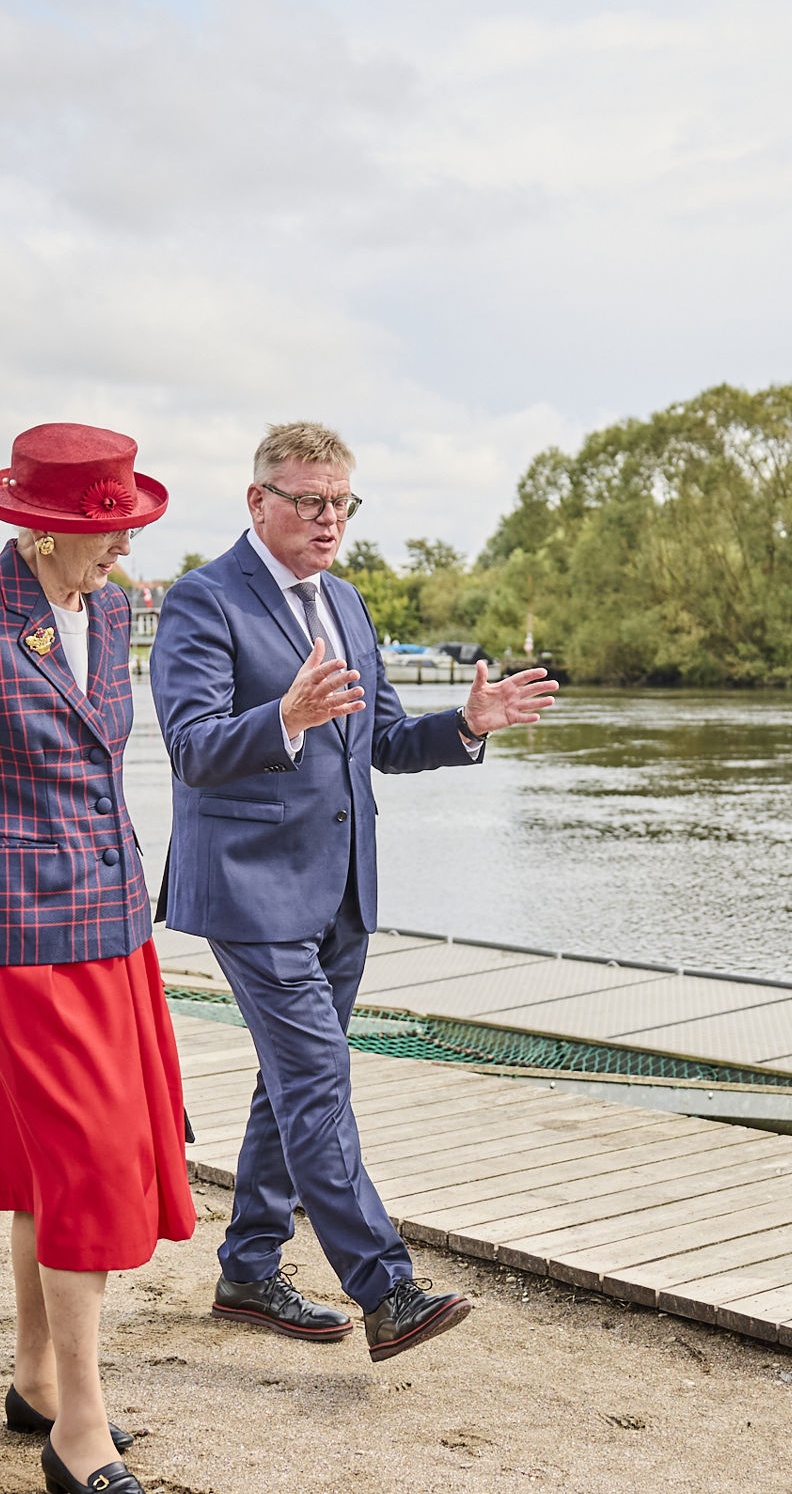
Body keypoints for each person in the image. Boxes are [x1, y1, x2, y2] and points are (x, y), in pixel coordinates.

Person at [151, 422, 556, 1363]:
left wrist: (462, 724)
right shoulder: (203, 602)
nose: (329, 519)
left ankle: (250, 1269)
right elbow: (192, 748)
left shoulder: (346, 601)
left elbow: (380, 742)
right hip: (248, 888)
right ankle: (385, 1286)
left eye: (342, 503)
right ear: (259, 502)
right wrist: (283, 715)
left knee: (289, 1084)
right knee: (318, 1078)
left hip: (341, 892)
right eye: (308, 501)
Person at [0, 422, 196, 1494]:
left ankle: (34, 1379)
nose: (118, 547)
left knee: (42, 1167)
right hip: (19, 933)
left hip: (114, 921)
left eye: (124, 525)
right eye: (99, 528)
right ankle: (79, 1424)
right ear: (38, 525)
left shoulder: (114, 608)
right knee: (83, 1167)